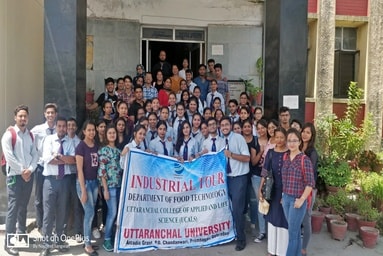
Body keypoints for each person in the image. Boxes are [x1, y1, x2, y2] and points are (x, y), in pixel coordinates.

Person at [2, 105, 38, 256]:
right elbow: (9, 156)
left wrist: (30, 169)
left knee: (23, 206)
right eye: (20, 116)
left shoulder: (30, 135)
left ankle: (22, 234)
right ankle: (8, 242)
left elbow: (35, 154)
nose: (23, 119)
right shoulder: (9, 135)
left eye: (25, 116)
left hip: (28, 175)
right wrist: (22, 171)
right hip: (15, 177)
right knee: (13, 208)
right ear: (15, 118)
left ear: (28, 118)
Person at [40, 117, 76, 256]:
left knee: (62, 212)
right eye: (59, 126)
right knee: (48, 213)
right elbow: (48, 161)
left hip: (65, 181)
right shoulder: (48, 140)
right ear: (56, 126)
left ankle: (60, 241)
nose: (61, 128)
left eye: (64, 126)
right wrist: (63, 158)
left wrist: (58, 156)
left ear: (67, 128)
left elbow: (72, 160)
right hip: (50, 181)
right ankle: (46, 244)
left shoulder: (70, 141)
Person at [281, 128, 315, 256]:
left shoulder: (304, 159)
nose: (291, 143)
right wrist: (283, 196)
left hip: (297, 200)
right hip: (286, 199)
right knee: (294, 232)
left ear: (299, 141)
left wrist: (301, 200)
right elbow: (284, 179)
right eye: (289, 140)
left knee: (293, 233)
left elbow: (310, 183)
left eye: (294, 140)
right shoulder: (285, 157)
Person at [220, 117, 250, 251]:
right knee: (229, 209)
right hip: (227, 178)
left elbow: (247, 158)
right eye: (222, 125)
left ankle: (241, 240)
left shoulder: (239, 138)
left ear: (231, 126)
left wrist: (231, 154)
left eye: (226, 124)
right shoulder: (221, 141)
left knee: (238, 210)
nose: (224, 127)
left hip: (239, 178)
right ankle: (233, 234)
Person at [259, 127, 289, 256]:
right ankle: (272, 250)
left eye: (282, 137)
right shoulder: (270, 153)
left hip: (286, 190)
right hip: (271, 190)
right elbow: (265, 172)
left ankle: (282, 251)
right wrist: (260, 189)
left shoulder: (289, 153)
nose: (280, 140)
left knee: (284, 219)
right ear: (274, 138)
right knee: (272, 219)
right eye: (277, 137)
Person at [30, 103, 57, 234]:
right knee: (39, 197)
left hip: (54, 168)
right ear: (44, 114)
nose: (50, 115)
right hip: (41, 167)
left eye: (52, 112)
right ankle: (40, 225)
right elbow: (25, 136)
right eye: (48, 113)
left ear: (56, 114)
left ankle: (53, 224)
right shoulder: (37, 129)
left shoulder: (59, 129)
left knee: (53, 197)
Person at [75, 120, 99, 256]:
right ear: (84, 131)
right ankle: (87, 244)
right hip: (84, 184)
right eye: (89, 130)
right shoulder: (80, 147)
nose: (91, 132)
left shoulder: (96, 146)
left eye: (93, 130)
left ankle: (87, 240)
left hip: (95, 183)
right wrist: (83, 190)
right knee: (89, 213)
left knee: (91, 212)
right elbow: (80, 170)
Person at [98, 125, 122, 252]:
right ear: (106, 135)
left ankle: (113, 237)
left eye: (114, 133)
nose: (112, 135)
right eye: (110, 133)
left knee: (117, 213)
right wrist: (105, 189)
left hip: (119, 187)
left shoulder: (119, 152)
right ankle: (107, 239)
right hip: (110, 188)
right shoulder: (103, 151)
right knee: (111, 213)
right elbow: (102, 171)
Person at [241, 119, 264, 243]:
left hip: (254, 173)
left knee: (254, 201)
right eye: (244, 126)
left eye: (248, 126)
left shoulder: (255, 140)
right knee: (244, 200)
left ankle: (254, 224)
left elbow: (254, 160)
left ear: (251, 128)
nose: (246, 129)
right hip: (242, 174)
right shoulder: (239, 140)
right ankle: (244, 225)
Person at [301, 123, 319, 256]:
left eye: (308, 132)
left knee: (306, 218)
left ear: (312, 135)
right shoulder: (297, 147)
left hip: (308, 189)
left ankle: (304, 248)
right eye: (303, 131)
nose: (304, 134)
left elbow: (310, 173)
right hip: (295, 188)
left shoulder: (312, 152)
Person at [65, 118, 83, 241]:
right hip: (64, 176)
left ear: (76, 128)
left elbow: (76, 160)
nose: (71, 127)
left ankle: (78, 232)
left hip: (76, 176)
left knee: (77, 205)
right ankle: (63, 231)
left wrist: (65, 158)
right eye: (69, 125)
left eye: (73, 125)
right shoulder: (62, 140)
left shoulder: (79, 142)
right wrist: (69, 159)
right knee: (64, 204)